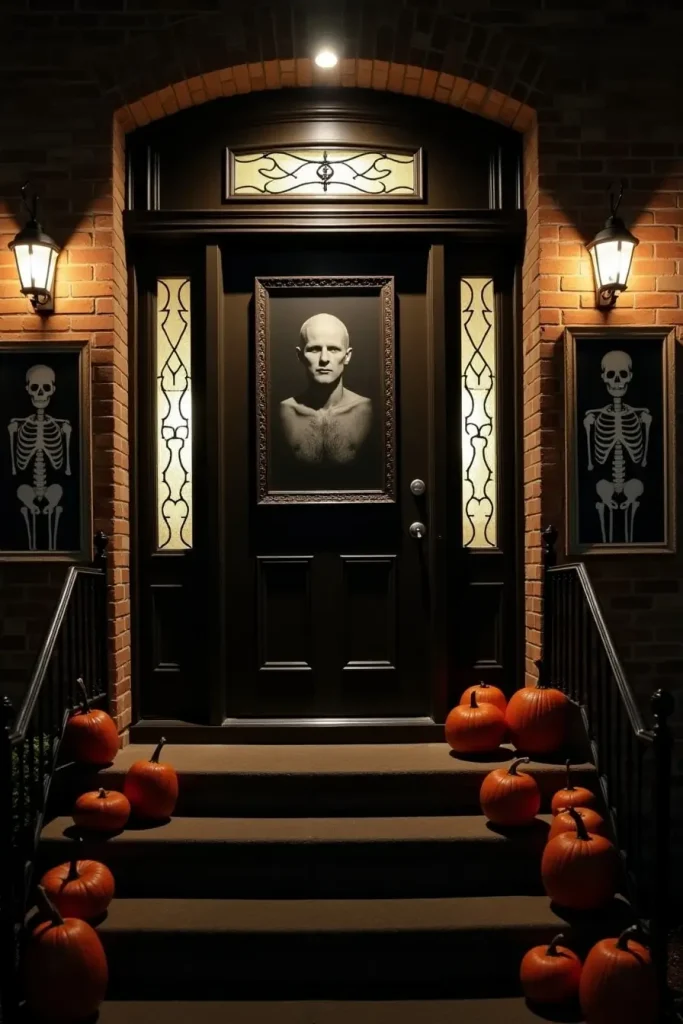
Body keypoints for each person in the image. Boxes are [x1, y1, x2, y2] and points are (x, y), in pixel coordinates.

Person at [279, 312, 372, 466]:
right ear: (300, 355)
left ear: (347, 356)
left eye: (334, 349)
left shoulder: (369, 411)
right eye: (314, 349)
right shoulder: (282, 414)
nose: (324, 359)